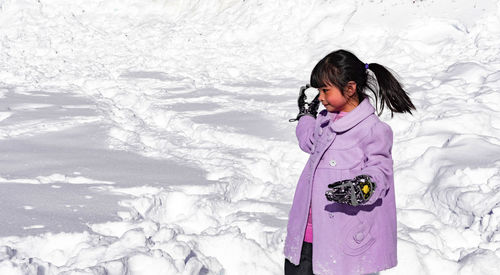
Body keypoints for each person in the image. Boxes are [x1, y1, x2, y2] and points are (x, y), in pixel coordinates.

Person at [284, 49, 415, 275]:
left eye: (325, 90)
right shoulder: (325, 122)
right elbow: (308, 141)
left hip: (340, 241)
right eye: (318, 91)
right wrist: (306, 115)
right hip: (306, 236)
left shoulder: (372, 130)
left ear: (350, 88)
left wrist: (364, 187)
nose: (321, 97)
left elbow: (380, 170)